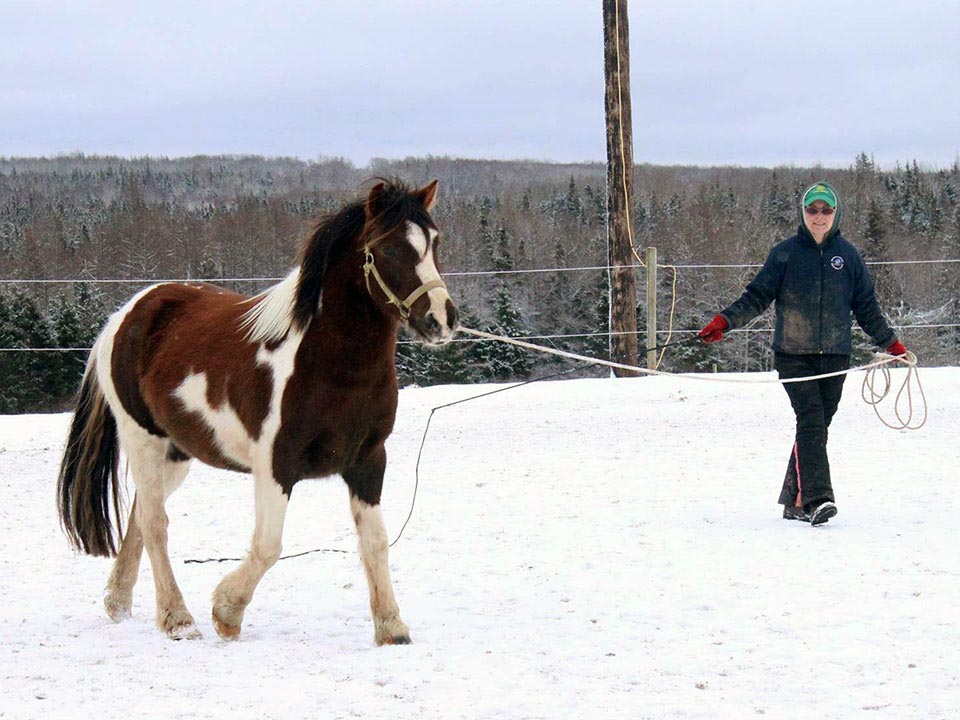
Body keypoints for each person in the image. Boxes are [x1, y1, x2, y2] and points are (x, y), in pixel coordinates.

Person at [697, 181, 908, 526]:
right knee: (810, 422)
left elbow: (867, 307)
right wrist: (725, 321)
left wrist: (891, 343)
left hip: (835, 357)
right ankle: (818, 499)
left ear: (835, 213)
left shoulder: (849, 257)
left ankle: (793, 500)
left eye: (826, 210)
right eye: (812, 210)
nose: (819, 216)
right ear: (803, 213)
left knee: (816, 429)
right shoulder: (785, 254)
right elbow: (756, 296)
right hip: (794, 356)